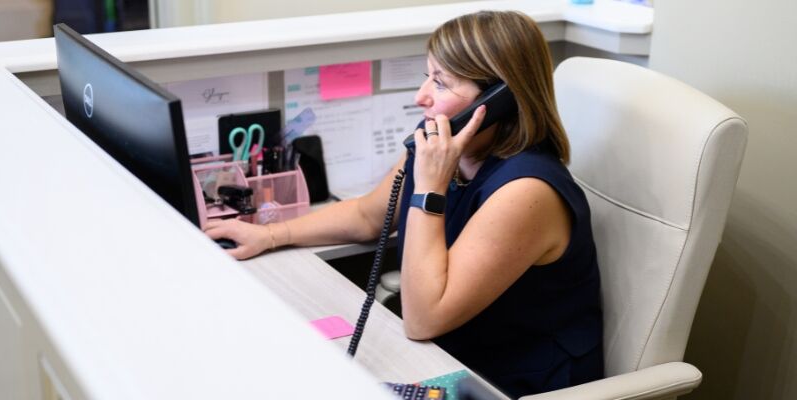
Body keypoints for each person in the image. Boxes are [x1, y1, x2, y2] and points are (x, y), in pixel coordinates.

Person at [205, 10, 603, 398]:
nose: (420, 97)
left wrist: (430, 186)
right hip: (449, 356)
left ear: (500, 101)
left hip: (509, 383)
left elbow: (424, 320)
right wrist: (270, 235)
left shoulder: (527, 191)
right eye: (427, 75)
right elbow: (367, 216)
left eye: (441, 83)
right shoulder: (442, 147)